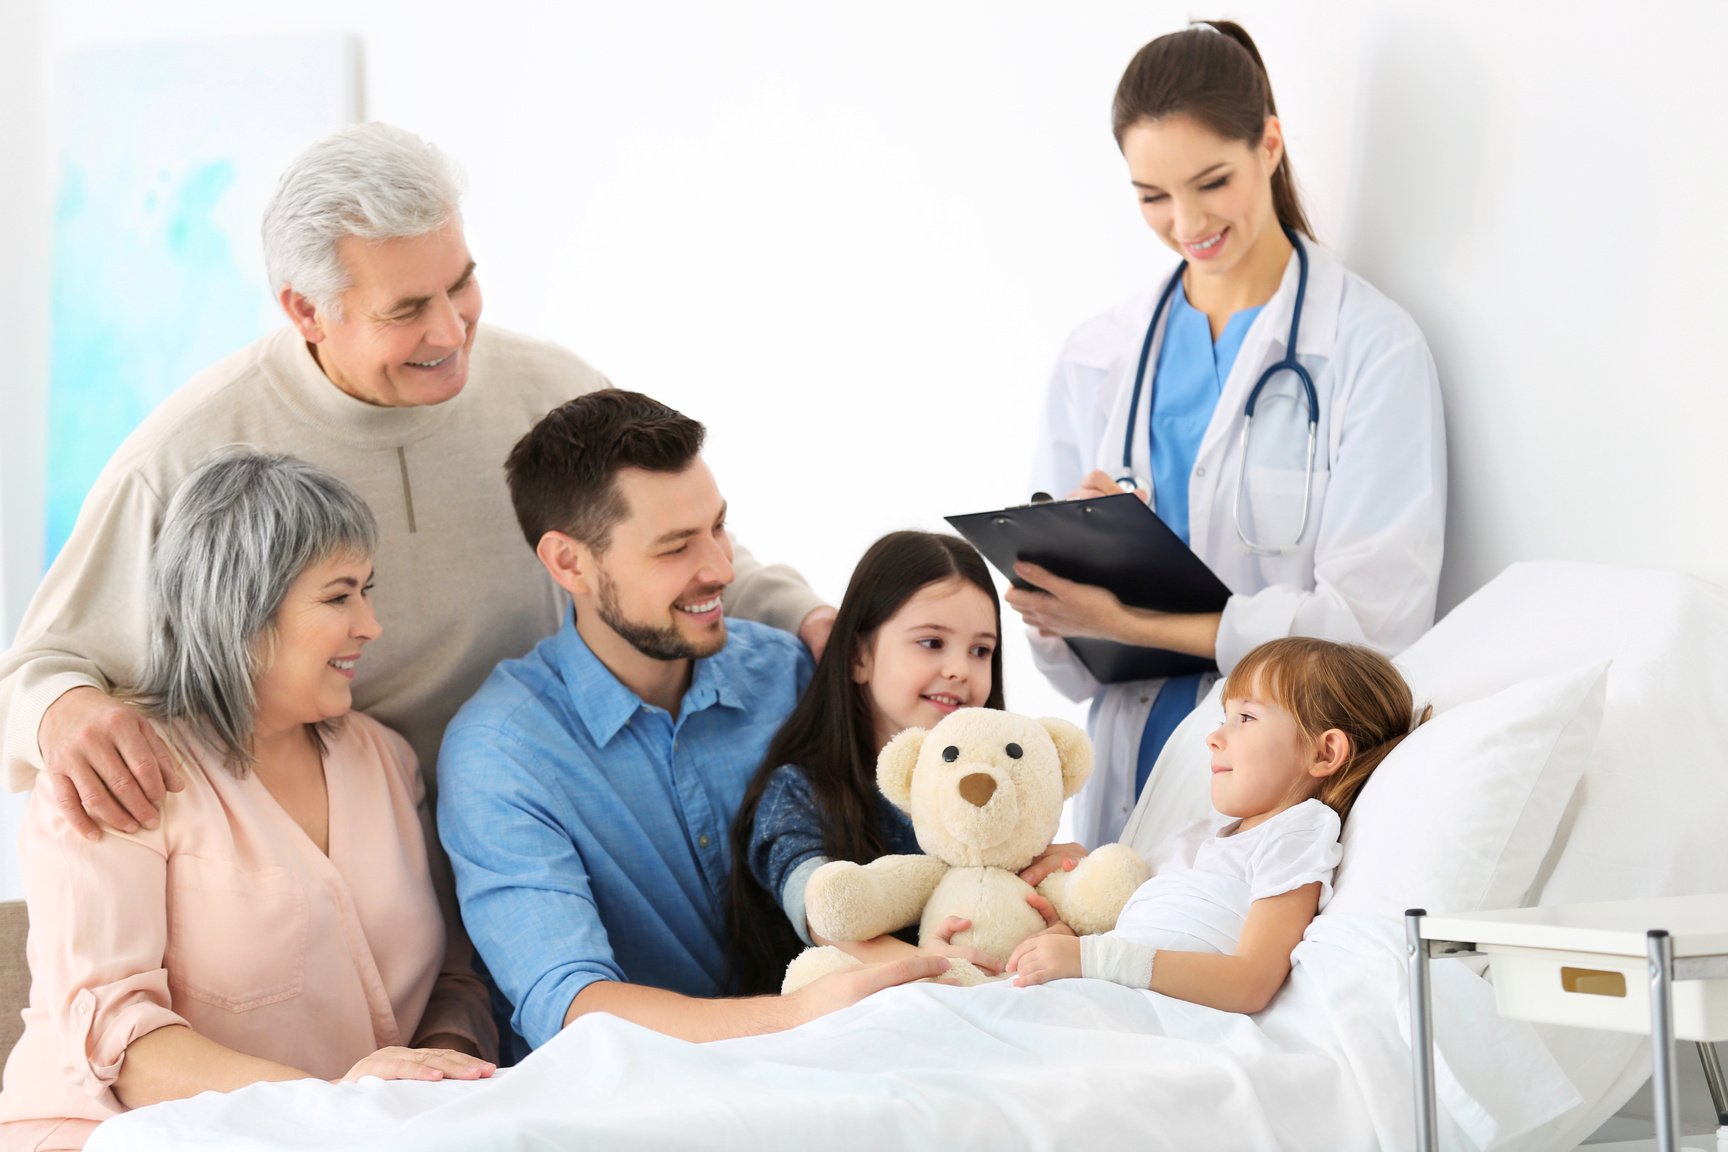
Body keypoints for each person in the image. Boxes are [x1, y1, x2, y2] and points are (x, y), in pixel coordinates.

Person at [0, 121, 834, 841]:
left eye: (461, 282)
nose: (451, 329)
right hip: (340, 867)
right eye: (405, 310)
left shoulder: (547, 388)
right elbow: (37, 667)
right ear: (305, 311)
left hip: (552, 824)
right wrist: (63, 711)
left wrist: (811, 617)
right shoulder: (188, 453)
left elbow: (670, 549)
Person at [1017, 21, 1446, 847]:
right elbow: (1067, 660)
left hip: (1287, 783)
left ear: (1271, 144)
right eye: (1152, 196)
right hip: (1129, 761)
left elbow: (1374, 630)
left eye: (1211, 182)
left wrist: (1134, 621)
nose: (1186, 222)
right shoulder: (1098, 357)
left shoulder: (1369, 347)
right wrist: (1071, 570)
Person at [0, 449, 497, 1151]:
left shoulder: (386, 761)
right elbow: (123, 1045)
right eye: (339, 596)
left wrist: (435, 1076)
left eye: (368, 590)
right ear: (241, 609)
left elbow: (453, 976)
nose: (371, 625)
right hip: (101, 1132)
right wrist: (338, 1104)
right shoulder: (119, 772)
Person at [437, 391, 945, 1056]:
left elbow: (914, 844)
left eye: (718, 527)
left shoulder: (789, 674)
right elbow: (572, 1005)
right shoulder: (502, 753)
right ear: (570, 564)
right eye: (675, 547)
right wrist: (798, 1016)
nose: (722, 569)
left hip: (845, 1069)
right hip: (643, 1103)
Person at [1005, 637, 1425, 1011]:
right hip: (1110, 994)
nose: (1214, 738)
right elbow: (1140, 934)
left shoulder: (1297, 831)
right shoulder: (1193, 838)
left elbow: (1250, 982)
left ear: (1324, 752)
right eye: (1222, 718)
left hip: (1158, 1015)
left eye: (1245, 718)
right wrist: (1066, 941)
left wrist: (1092, 959)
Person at [726, 531, 1011, 995]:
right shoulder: (799, 791)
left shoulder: (988, 786)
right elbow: (823, 911)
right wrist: (939, 970)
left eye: (981, 650)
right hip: (846, 1027)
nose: (961, 668)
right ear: (859, 656)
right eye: (932, 642)